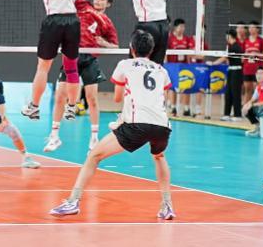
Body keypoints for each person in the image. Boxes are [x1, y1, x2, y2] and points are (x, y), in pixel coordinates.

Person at [49, 30, 175, 220]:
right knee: (159, 156)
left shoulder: (125, 64)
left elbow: (117, 98)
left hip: (137, 125)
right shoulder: (161, 70)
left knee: (94, 156)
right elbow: (161, 99)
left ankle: (73, 201)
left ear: (131, 48)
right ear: (151, 50)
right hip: (162, 126)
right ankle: (167, 205)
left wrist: (123, 118)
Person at [44, 0, 119, 153]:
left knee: (92, 99)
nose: (98, 0)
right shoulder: (84, 6)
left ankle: (94, 138)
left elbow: (115, 46)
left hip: (90, 59)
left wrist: (103, 43)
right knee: (60, 96)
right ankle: (54, 136)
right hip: (72, 56)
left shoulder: (107, 22)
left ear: (108, 4)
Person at [165, 19, 196, 117]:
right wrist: (166, 64)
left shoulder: (187, 39)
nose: (182, 28)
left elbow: (190, 52)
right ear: (175, 27)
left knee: (186, 85)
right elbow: (165, 52)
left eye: (184, 26)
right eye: (181, 26)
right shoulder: (170, 39)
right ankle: (173, 107)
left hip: (184, 66)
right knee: (173, 87)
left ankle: (186, 108)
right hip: (173, 66)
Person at [215, 29, 244, 121]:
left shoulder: (235, 47)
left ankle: (238, 115)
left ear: (229, 36)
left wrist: (213, 63)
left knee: (236, 93)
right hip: (231, 71)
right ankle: (226, 114)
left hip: (237, 72)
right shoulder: (230, 46)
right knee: (228, 93)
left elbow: (224, 58)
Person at [241, 21, 263, 106]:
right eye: (249, 27)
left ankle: (256, 108)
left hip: (257, 69)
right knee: (247, 89)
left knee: (257, 90)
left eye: (253, 27)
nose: (250, 29)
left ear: (257, 29)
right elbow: (242, 56)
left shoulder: (261, 41)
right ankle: (245, 108)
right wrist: (245, 56)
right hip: (247, 69)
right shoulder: (246, 41)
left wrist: (256, 54)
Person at [243, 67, 263, 136]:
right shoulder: (258, 87)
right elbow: (252, 99)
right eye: (257, 73)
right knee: (246, 109)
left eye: (261, 73)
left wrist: (252, 105)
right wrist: (247, 105)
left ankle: (262, 128)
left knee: (251, 108)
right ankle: (258, 127)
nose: (259, 75)